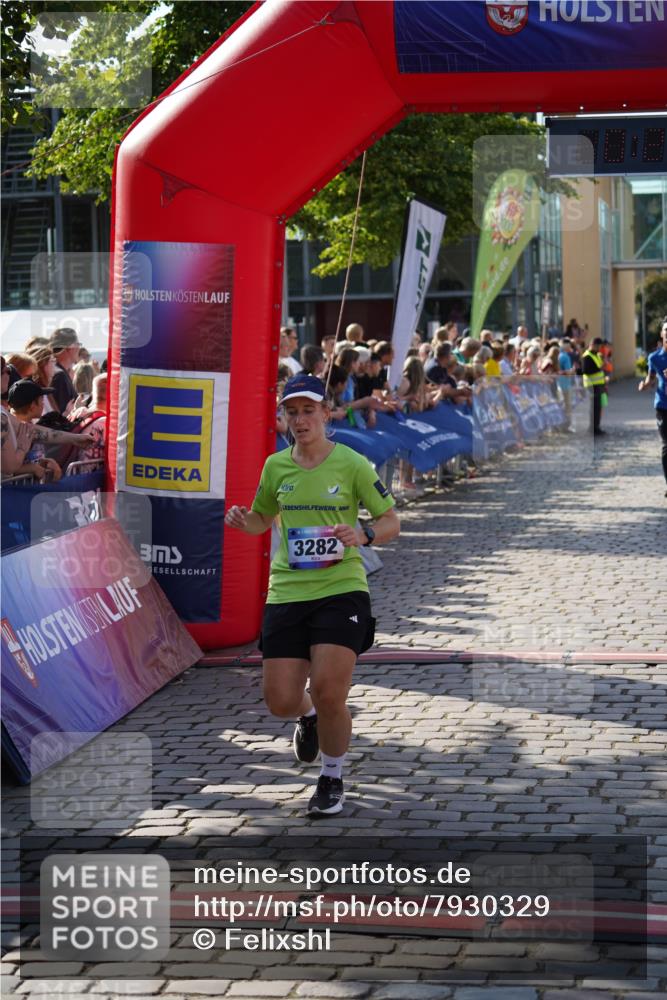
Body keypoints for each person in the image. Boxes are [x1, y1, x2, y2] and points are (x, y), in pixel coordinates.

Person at [224, 374, 400, 815]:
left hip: (341, 589)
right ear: (284, 418)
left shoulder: (352, 463)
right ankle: (307, 718)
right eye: (292, 412)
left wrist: (363, 533)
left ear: (326, 413)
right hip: (287, 591)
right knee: (281, 700)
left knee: (328, 689)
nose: (300, 420)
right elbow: (262, 520)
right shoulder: (275, 466)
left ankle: (332, 776)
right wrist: (242, 520)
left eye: (308, 410)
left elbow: (391, 522)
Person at [639, 319, 667, 496]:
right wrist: (645, 384)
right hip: (663, 406)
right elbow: (651, 378)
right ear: (662, 334)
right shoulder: (654, 357)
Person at [48, 328, 80, 413]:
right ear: (70, 347)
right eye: (78, 344)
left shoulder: (56, 371)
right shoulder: (58, 375)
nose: (79, 348)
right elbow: (62, 415)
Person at [581, 337, 607, 436]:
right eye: (599, 346)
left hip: (598, 385)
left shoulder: (596, 355)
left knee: (598, 407)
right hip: (592, 386)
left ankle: (596, 427)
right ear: (593, 345)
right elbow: (585, 370)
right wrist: (599, 368)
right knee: (594, 408)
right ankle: (593, 428)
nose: (600, 348)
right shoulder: (587, 356)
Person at [558, 338, 576, 431]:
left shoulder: (557, 354)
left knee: (561, 404)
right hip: (565, 383)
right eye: (568, 345)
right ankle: (566, 426)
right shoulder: (565, 356)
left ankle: (560, 425)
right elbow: (568, 372)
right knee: (567, 405)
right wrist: (572, 370)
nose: (570, 347)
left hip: (558, 383)